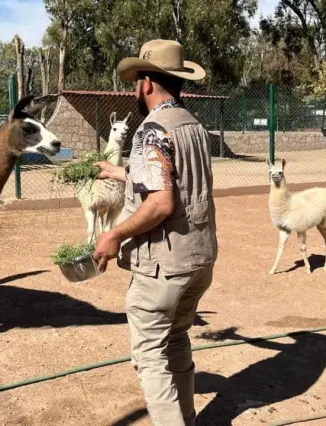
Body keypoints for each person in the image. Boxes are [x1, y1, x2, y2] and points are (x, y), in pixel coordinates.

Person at [92, 39, 218, 426]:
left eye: (137, 81)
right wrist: (121, 172)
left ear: (146, 84)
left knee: (150, 357)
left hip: (164, 267)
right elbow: (173, 178)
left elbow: (161, 202)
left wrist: (113, 235)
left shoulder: (151, 130)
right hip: (199, 261)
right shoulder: (192, 125)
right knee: (177, 341)